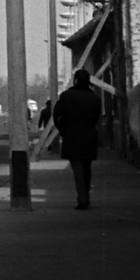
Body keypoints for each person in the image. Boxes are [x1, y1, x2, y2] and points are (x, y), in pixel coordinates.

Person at [52, 69, 102, 210]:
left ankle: (82, 199)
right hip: (89, 135)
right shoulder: (95, 98)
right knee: (87, 168)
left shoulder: (67, 96)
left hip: (72, 135)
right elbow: (97, 118)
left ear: (75, 80)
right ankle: (86, 196)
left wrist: (62, 129)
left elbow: (56, 115)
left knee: (78, 168)